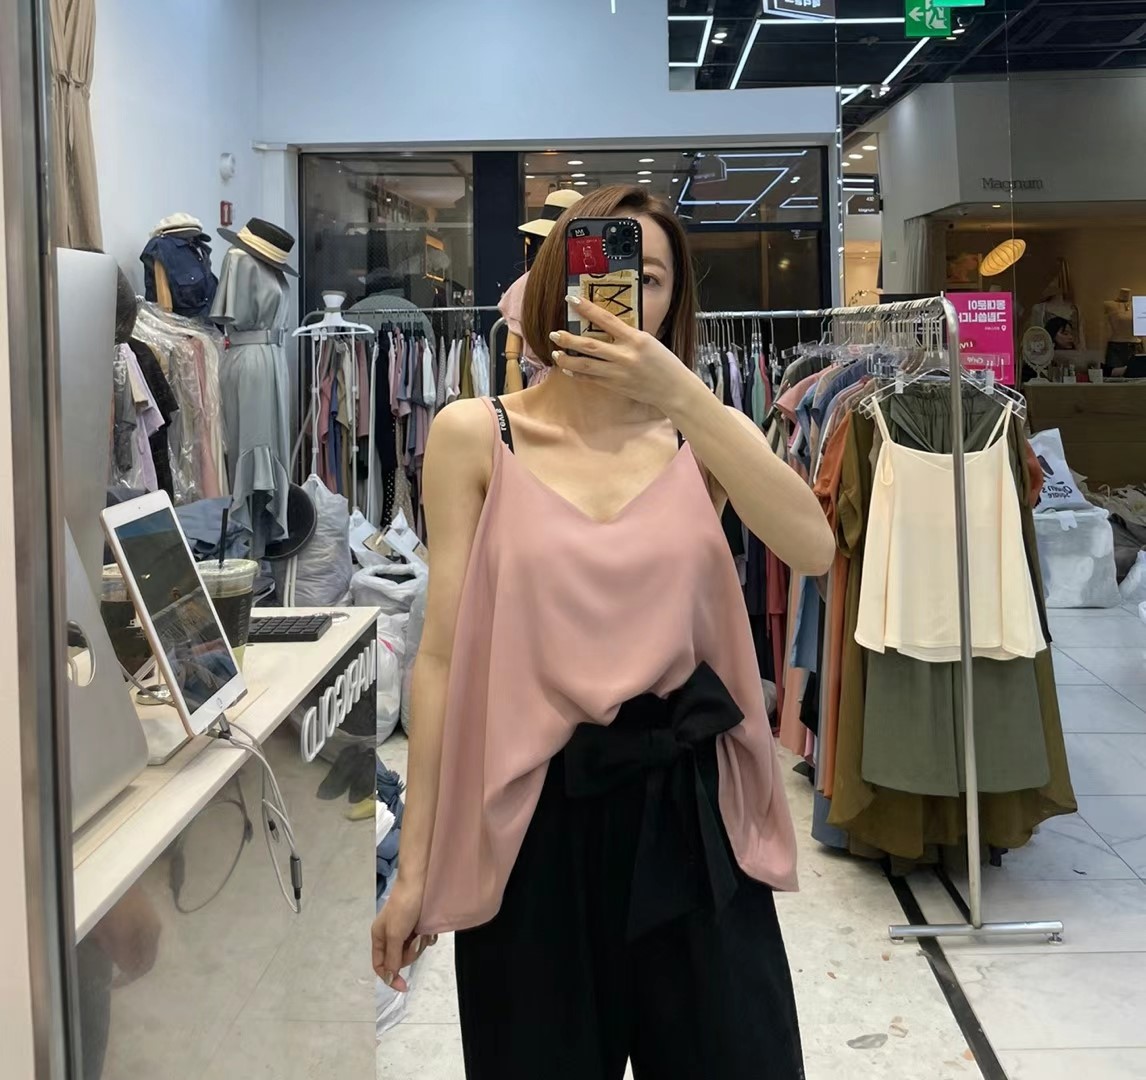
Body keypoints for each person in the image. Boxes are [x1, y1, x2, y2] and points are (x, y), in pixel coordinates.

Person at [371, 184, 833, 1079]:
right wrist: (415, 865)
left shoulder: (701, 438)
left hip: (688, 815)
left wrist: (684, 394)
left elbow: (812, 547)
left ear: (674, 302)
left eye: (652, 277)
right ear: (560, 281)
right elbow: (440, 661)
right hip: (534, 825)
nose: (626, 291)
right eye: (607, 265)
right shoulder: (477, 436)